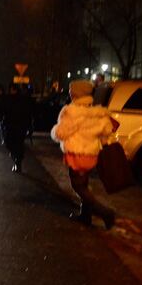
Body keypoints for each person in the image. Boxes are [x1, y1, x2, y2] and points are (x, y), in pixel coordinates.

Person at [51, 80, 116, 229]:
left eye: (71, 90)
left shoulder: (70, 112)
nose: (69, 92)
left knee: (78, 186)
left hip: (76, 154)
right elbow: (107, 130)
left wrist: (54, 131)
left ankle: (105, 213)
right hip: (91, 154)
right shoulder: (97, 112)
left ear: (76, 94)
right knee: (84, 184)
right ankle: (85, 215)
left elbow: (61, 133)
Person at [2, 84, 34, 173]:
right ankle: (16, 159)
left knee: (16, 143)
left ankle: (17, 161)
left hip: (17, 125)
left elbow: (27, 113)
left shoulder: (20, 100)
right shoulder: (11, 99)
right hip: (15, 125)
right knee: (14, 143)